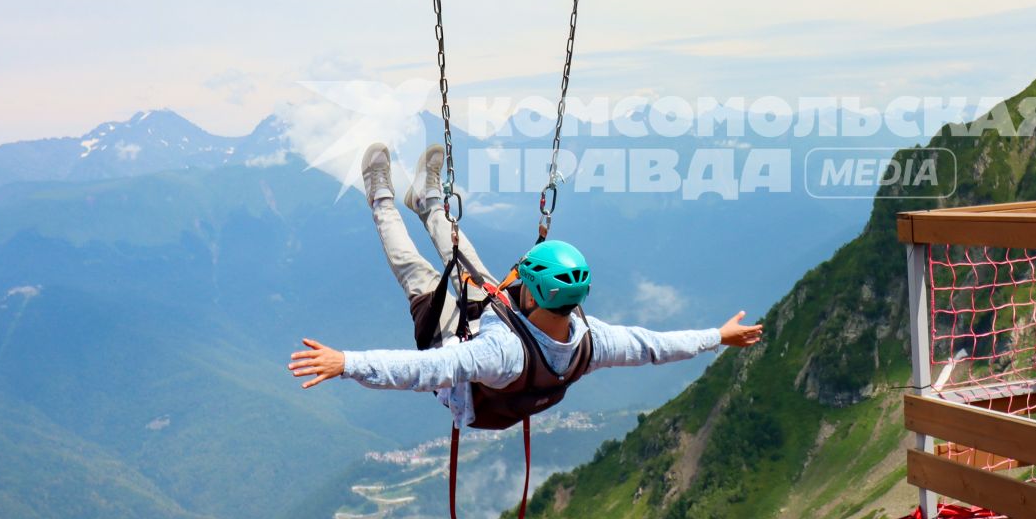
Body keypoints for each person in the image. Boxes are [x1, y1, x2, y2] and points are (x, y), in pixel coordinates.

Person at [288, 144, 763, 429]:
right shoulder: (589, 340)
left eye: (525, 279)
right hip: (507, 341)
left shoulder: (499, 354)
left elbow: (421, 369)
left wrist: (345, 363)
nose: (518, 281)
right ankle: (429, 201)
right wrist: (719, 337)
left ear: (533, 294)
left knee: (419, 274)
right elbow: (655, 347)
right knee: (476, 269)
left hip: (468, 379)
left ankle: (381, 196)